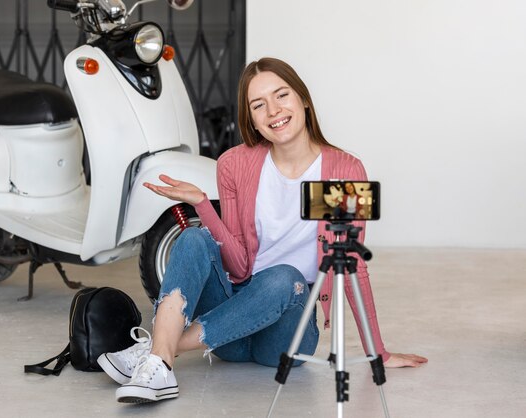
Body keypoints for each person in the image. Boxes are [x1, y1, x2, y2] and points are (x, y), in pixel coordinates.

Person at [97, 57, 428, 404]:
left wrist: (379, 352)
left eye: (281, 95)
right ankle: (159, 368)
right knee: (194, 236)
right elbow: (239, 267)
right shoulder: (236, 164)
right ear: (252, 119)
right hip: (231, 332)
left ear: (302, 99)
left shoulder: (342, 170)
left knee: (284, 275)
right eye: (259, 105)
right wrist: (202, 205)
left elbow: (352, 266)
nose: (273, 110)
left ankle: (157, 351)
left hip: (286, 338)